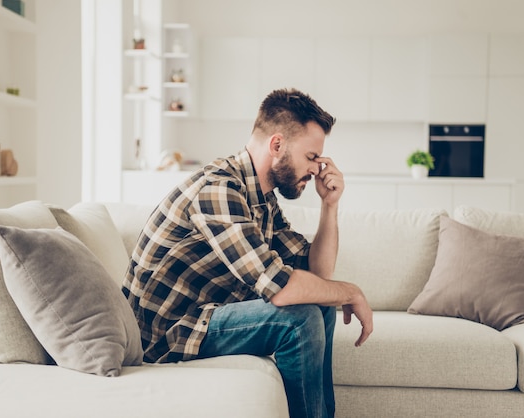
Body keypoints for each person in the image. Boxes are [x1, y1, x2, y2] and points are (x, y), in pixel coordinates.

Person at [123, 88, 373, 418]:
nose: (317, 168)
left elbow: (317, 276)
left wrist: (330, 205)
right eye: (311, 156)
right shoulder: (218, 190)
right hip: (165, 335)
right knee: (300, 319)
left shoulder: (262, 199)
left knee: (319, 303)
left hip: (204, 316)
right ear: (277, 145)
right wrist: (351, 292)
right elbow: (281, 288)